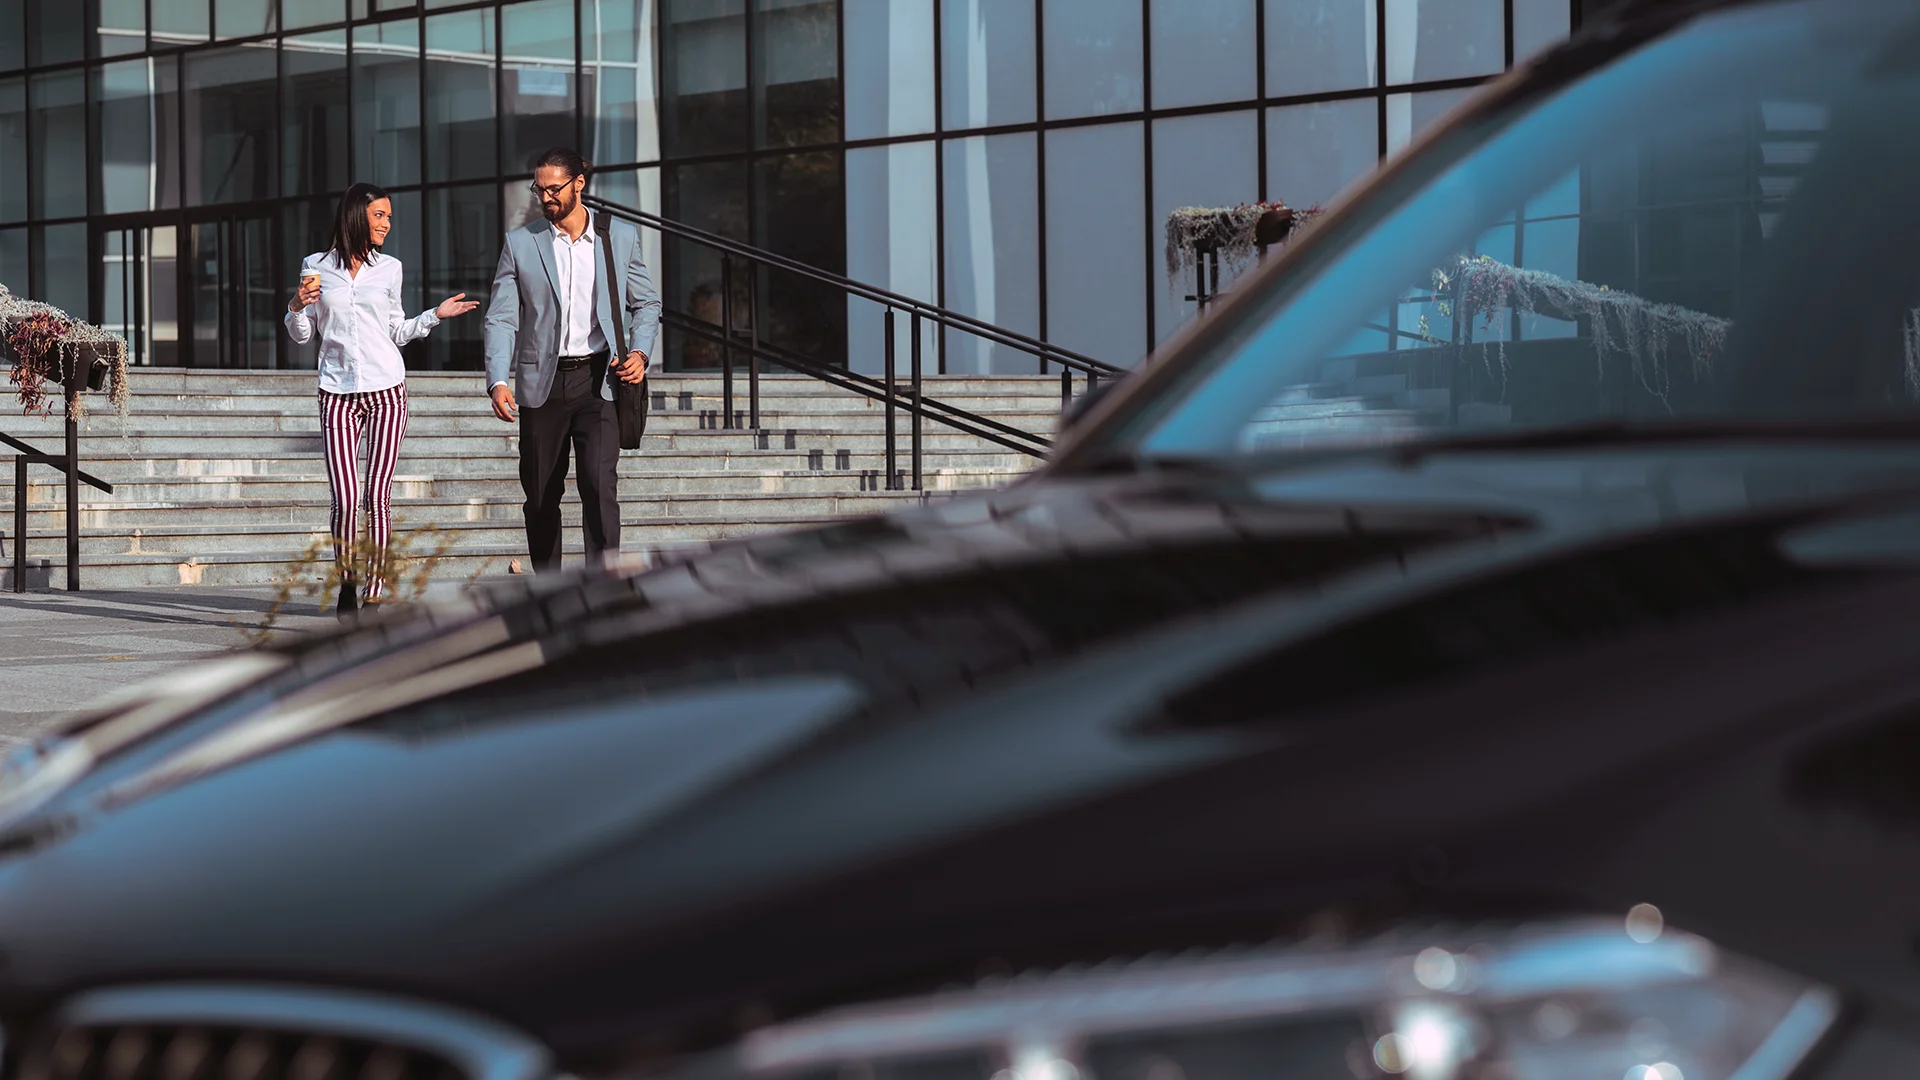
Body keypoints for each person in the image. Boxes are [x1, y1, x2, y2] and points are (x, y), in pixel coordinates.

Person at [286, 182, 479, 617]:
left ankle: (372, 594)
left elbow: (395, 329)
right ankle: (347, 581)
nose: (387, 224)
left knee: (378, 494)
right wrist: (296, 304)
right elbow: (303, 336)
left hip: (387, 390)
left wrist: (433, 316)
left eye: (389, 217)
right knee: (344, 496)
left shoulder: (390, 268)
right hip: (336, 392)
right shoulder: (315, 266)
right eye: (379, 216)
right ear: (357, 215)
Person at [484, 147, 661, 572]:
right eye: (538, 189)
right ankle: (550, 592)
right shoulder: (521, 243)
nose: (545, 198)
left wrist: (639, 351)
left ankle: (601, 594)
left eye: (553, 189)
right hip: (542, 385)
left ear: (578, 184)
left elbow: (647, 303)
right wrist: (497, 379)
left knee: (600, 488)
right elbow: (501, 318)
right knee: (541, 495)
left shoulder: (617, 236)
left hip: (600, 379)